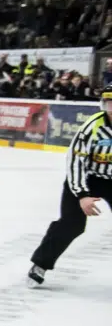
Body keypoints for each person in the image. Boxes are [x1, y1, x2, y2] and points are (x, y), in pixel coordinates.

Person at [28, 89, 112, 287]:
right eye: (109, 103)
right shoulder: (92, 128)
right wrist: (82, 195)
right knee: (71, 224)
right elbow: (76, 162)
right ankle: (40, 264)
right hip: (87, 178)